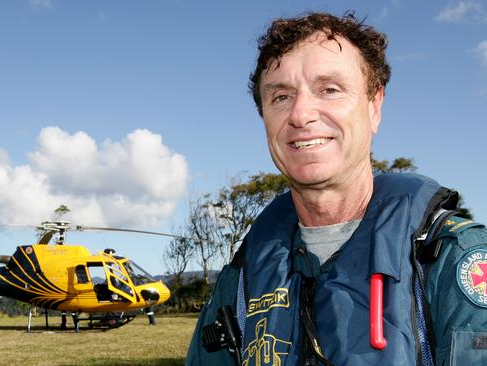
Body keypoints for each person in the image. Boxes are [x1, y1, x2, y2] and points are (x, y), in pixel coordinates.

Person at [186, 12, 487, 366]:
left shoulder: (451, 260)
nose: (300, 114)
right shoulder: (241, 280)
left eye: (329, 89)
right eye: (281, 96)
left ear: (374, 106)